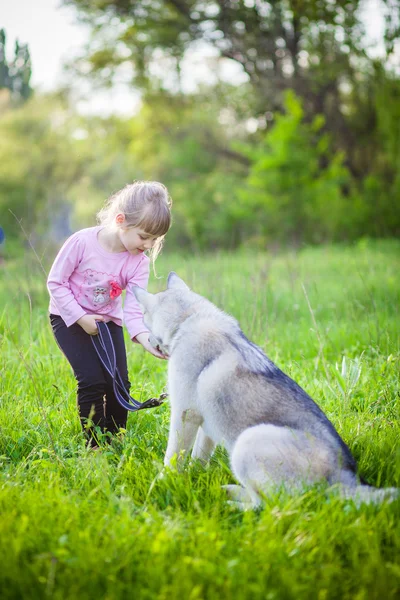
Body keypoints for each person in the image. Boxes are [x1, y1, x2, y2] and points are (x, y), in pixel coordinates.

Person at [47, 181, 172, 448]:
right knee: (92, 380)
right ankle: (94, 446)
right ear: (121, 221)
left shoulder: (138, 262)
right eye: (144, 236)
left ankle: (115, 441)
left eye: (155, 239)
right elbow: (55, 282)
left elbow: (134, 308)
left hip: (107, 321)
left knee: (119, 382)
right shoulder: (81, 243)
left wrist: (147, 339)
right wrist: (81, 318)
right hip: (68, 317)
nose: (149, 245)